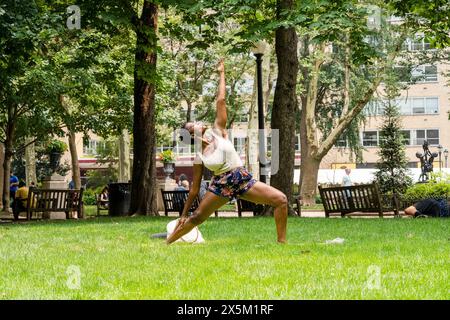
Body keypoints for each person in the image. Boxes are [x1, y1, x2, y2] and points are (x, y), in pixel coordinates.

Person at [166, 59, 288, 245]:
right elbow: (194, 190)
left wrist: (221, 73)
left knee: (281, 199)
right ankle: (167, 244)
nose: (199, 122)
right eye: (195, 124)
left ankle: (282, 243)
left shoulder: (218, 131)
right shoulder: (199, 157)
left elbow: (221, 100)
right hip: (221, 185)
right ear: (192, 133)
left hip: (241, 177)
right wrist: (183, 214)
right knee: (197, 217)